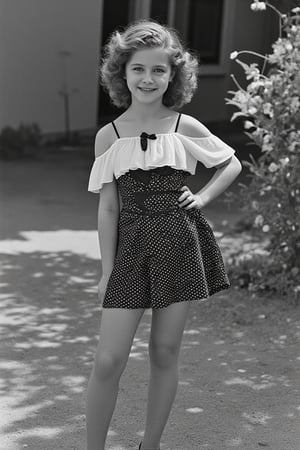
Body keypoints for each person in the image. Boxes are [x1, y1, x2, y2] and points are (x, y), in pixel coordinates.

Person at [86, 19, 242, 450]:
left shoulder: (183, 126)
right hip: (130, 249)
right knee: (107, 359)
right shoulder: (109, 135)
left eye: (159, 70)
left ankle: (149, 445)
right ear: (122, 73)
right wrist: (107, 270)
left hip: (177, 244)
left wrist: (205, 197)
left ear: (173, 75)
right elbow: (108, 206)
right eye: (138, 69)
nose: (148, 78)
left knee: (165, 352)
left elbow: (230, 163)